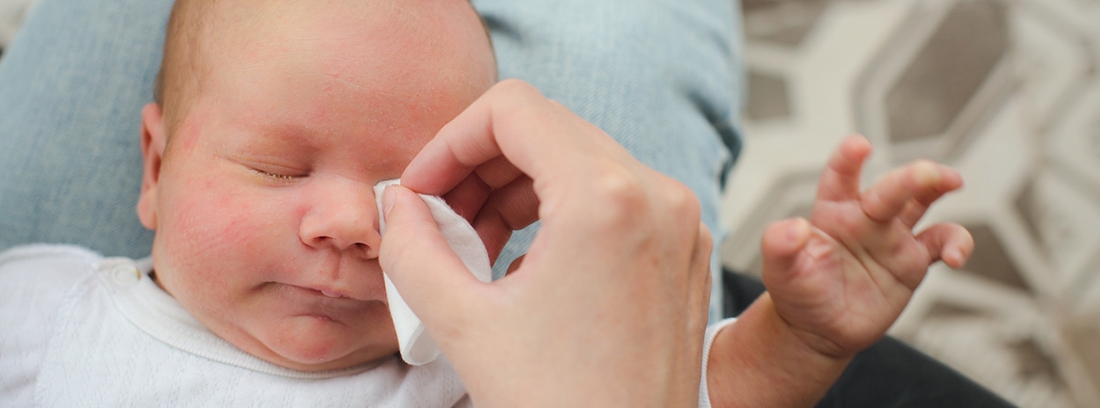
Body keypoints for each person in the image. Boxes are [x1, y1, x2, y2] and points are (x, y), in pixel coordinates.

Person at [0, 0, 1008, 407]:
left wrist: (792, 339)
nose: (351, 223)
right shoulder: (50, 307)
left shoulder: (457, 366)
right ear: (153, 168)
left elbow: (669, 389)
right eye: (275, 168)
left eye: (408, 190)